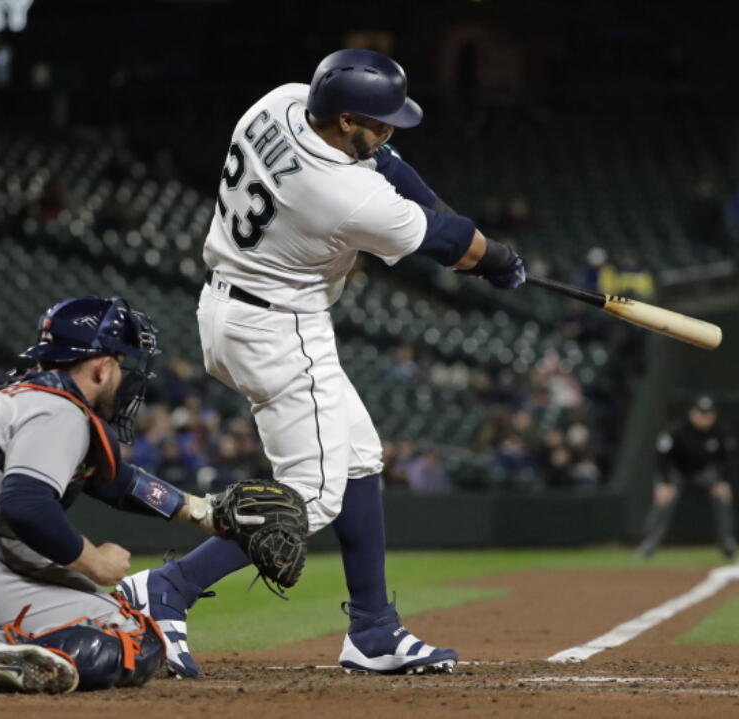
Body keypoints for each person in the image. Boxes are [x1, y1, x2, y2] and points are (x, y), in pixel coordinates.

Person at [116, 48, 525, 677]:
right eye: (379, 121)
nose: (388, 132)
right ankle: (167, 588)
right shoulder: (346, 195)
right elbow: (448, 245)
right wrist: (497, 258)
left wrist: (447, 216)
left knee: (359, 456)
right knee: (312, 494)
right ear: (344, 121)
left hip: (229, 303)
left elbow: (391, 166)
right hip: (280, 327)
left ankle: (373, 631)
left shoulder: (281, 100)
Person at [0, 297, 256, 694]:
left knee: (17, 549)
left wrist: (201, 511)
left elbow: (111, 482)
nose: (127, 377)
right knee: (135, 637)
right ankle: (4, 648)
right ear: (102, 367)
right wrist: (95, 562)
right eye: (122, 363)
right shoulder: (59, 410)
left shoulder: (1, 397)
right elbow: (27, 505)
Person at [637, 395, 738, 560]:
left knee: (722, 496)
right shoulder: (676, 431)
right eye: (701, 413)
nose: (705, 418)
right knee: (664, 500)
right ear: (692, 413)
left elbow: (725, 460)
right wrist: (663, 483)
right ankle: (648, 544)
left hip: (704, 472)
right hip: (676, 472)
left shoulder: (720, 432)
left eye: (709, 414)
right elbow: (662, 459)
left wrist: (724, 482)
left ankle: (727, 543)